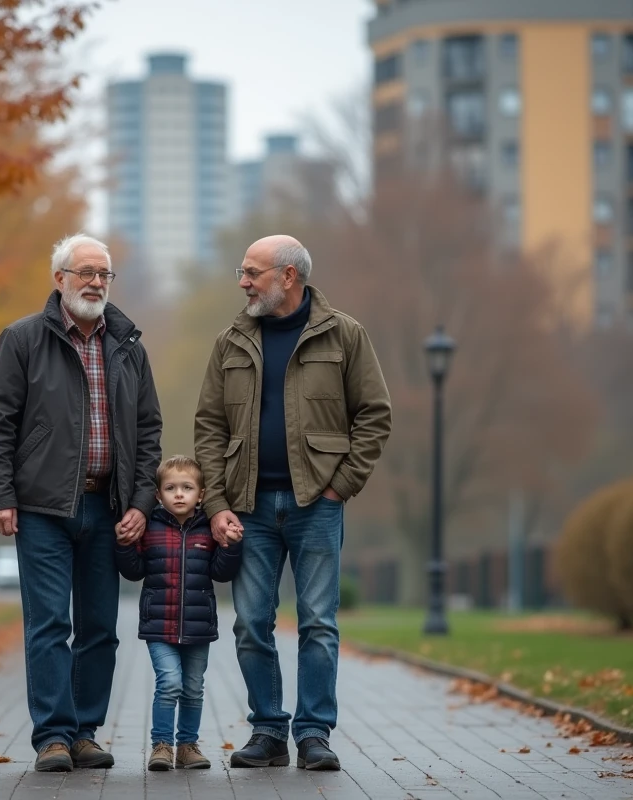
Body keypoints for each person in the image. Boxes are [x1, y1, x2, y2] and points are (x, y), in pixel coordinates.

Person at [193, 234, 392, 771]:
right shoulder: (230, 340)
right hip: (248, 508)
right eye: (242, 271)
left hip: (317, 505)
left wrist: (338, 486)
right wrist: (216, 504)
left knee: (318, 623)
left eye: (252, 272)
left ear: (288, 276)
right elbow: (209, 426)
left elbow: (374, 415)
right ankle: (268, 731)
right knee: (250, 622)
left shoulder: (344, 334)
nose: (243, 282)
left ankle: (313, 734)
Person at [0, 233, 163, 773]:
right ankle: (53, 737)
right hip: (42, 509)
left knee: (101, 626)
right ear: (59, 279)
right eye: (85, 272)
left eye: (104, 273)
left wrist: (143, 502)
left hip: (109, 509)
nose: (96, 282)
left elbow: (149, 428)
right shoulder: (22, 339)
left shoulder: (129, 345)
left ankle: (85, 731)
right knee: (50, 624)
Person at [114, 455, 243, 771]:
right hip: (158, 626)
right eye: (171, 488)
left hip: (199, 627)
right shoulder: (150, 527)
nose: (180, 494)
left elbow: (221, 573)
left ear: (201, 494)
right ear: (158, 494)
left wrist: (231, 547)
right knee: (169, 681)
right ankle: (161, 745)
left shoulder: (207, 529)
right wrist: (124, 545)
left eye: (187, 487)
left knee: (193, 688)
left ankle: (187, 746)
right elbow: (133, 571)